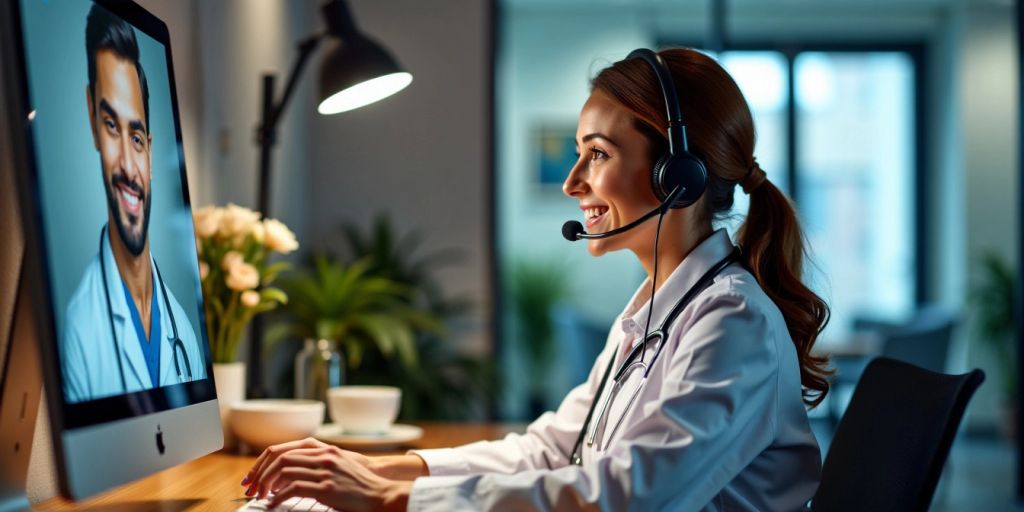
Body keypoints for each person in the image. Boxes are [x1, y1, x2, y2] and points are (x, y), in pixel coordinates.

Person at [240, 47, 831, 511]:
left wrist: (393, 500)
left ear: (678, 173)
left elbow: (628, 498)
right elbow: (555, 450)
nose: (573, 183)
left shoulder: (733, 322)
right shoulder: (658, 308)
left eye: (596, 154)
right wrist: (380, 472)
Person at [61, 5, 205, 403]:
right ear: (91, 116)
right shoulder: (77, 332)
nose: (127, 164)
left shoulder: (184, 332)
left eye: (137, 137)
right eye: (111, 126)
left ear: (152, 152)